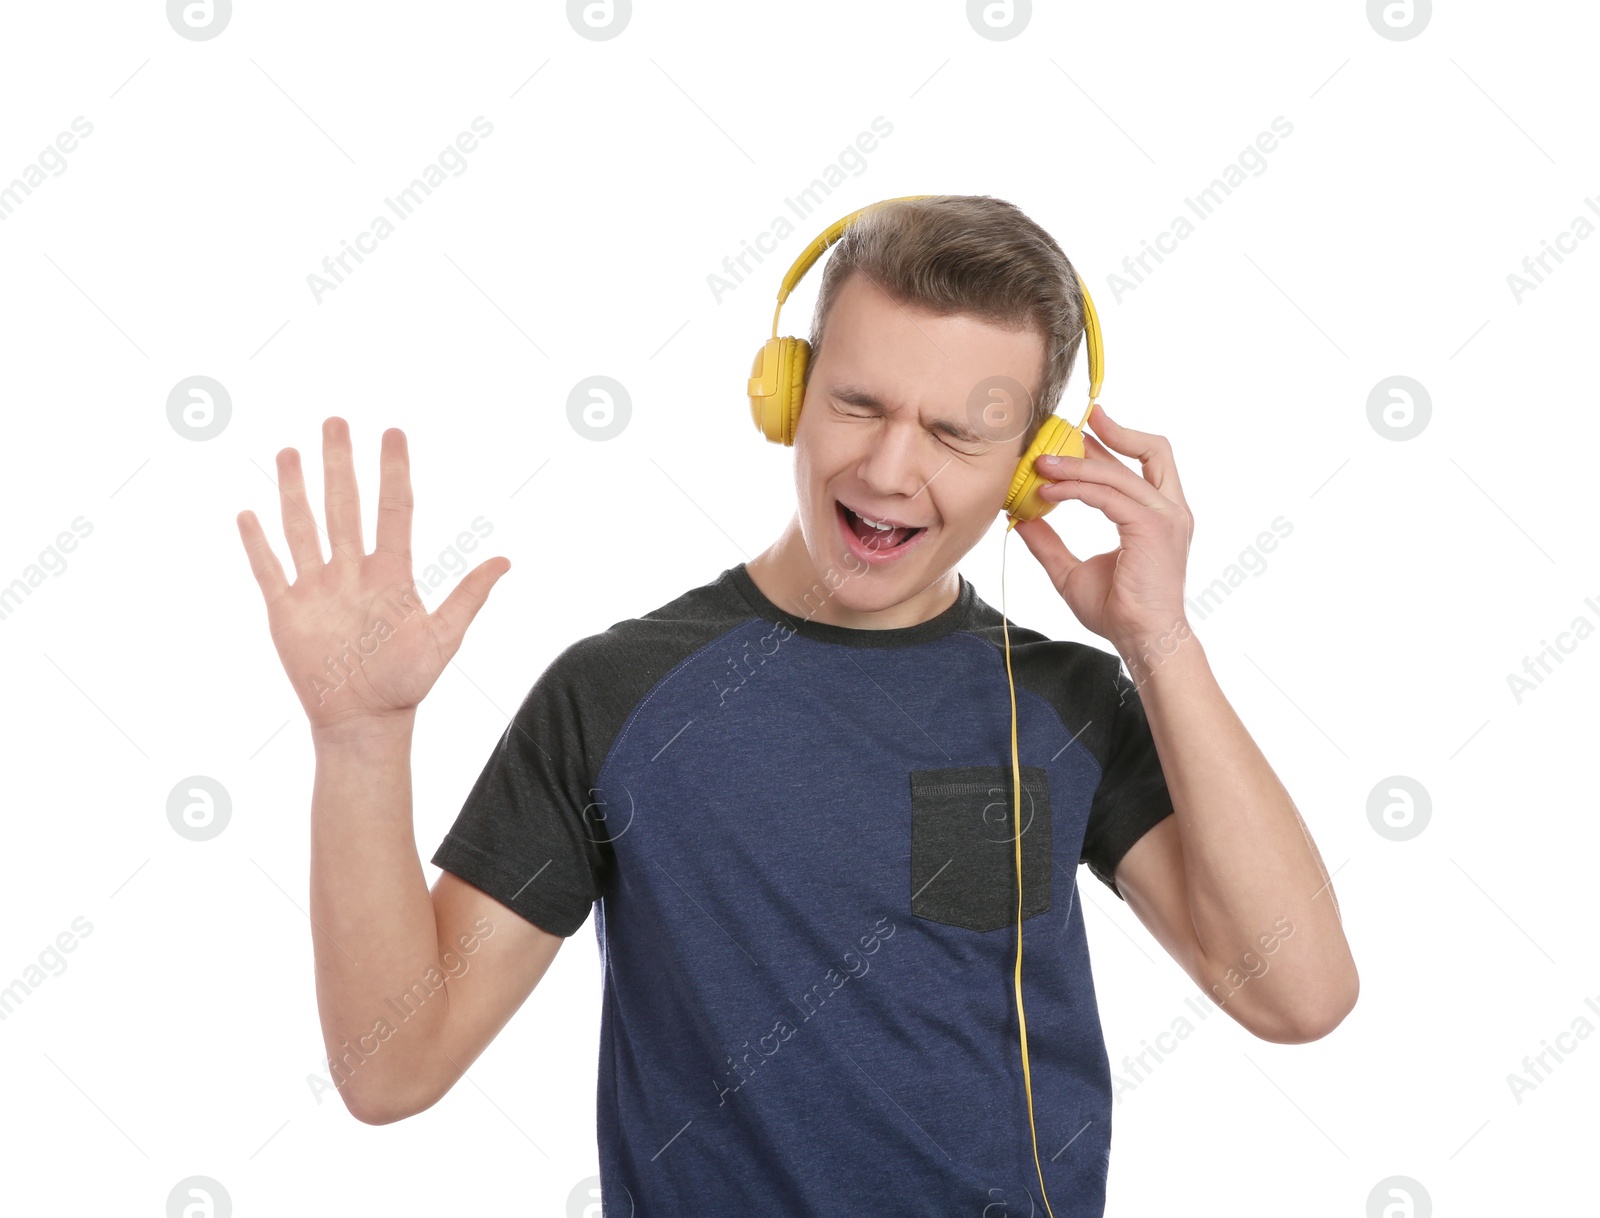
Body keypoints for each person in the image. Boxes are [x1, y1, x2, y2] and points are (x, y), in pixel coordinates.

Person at [236, 195, 1358, 1217]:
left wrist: (1158, 641)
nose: (887, 467)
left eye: (957, 434)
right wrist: (362, 741)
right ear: (787, 396)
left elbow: (1300, 995)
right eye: (857, 403)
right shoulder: (616, 693)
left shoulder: (1066, 700)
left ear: (1030, 467)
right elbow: (392, 1068)